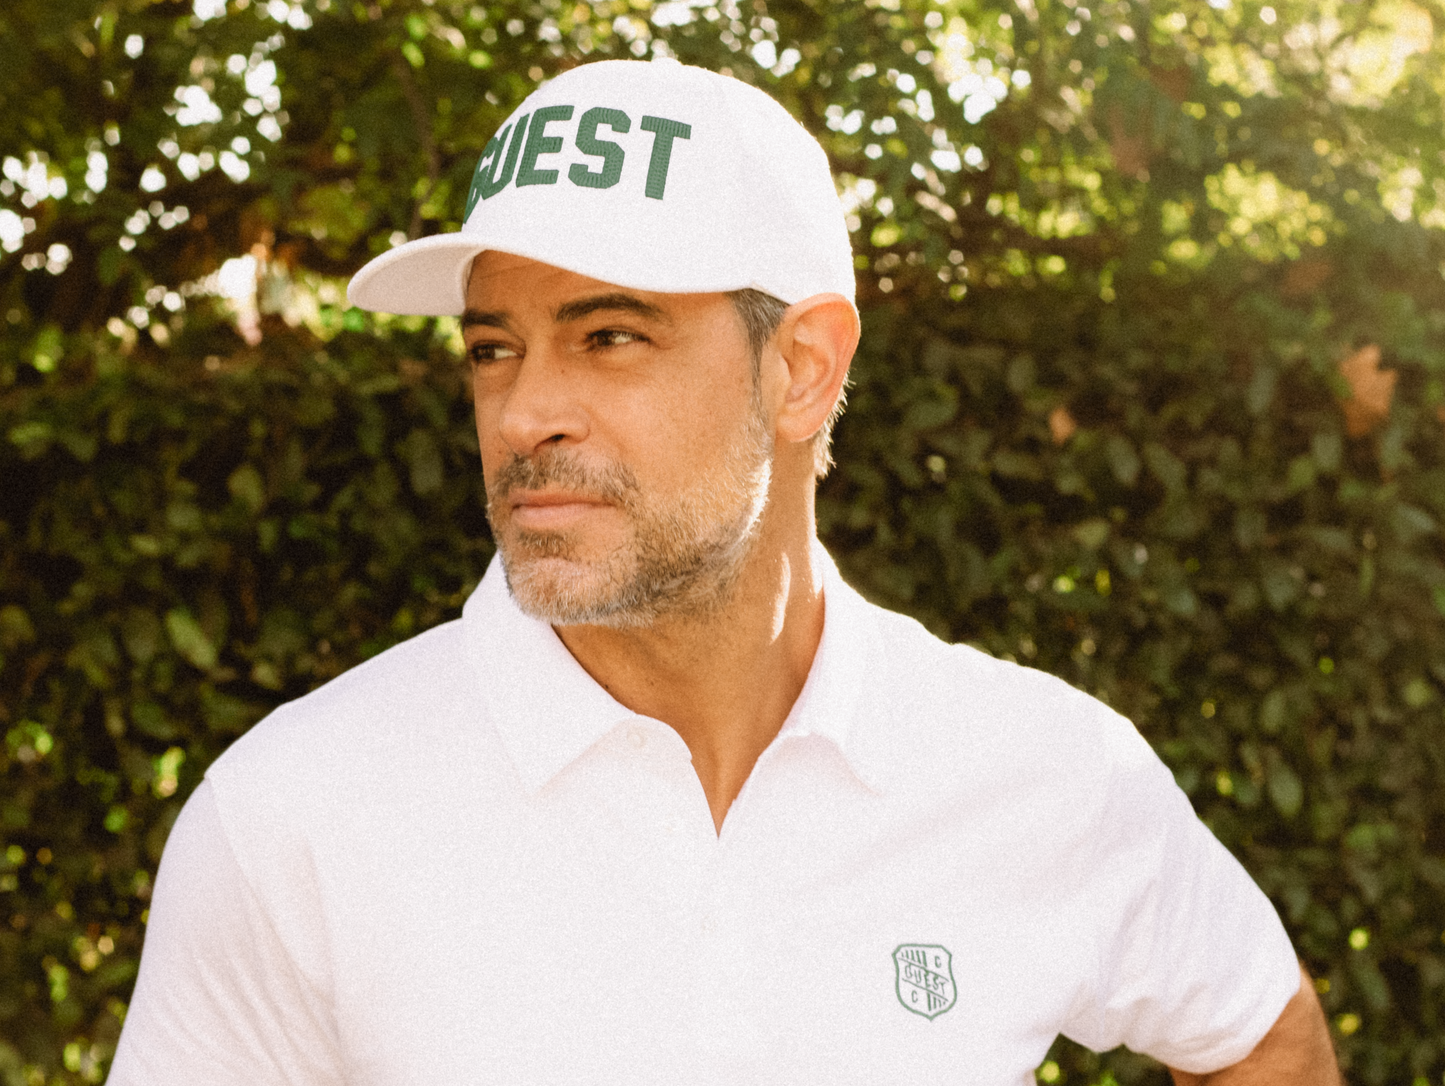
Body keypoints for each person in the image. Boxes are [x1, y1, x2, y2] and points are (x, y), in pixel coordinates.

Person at [108, 59, 1340, 1085]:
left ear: (800, 368)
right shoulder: (292, 815)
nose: (526, 411)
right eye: (494, 348)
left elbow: (1258, 1033)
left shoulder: (1039, 768)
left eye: (609, 335)